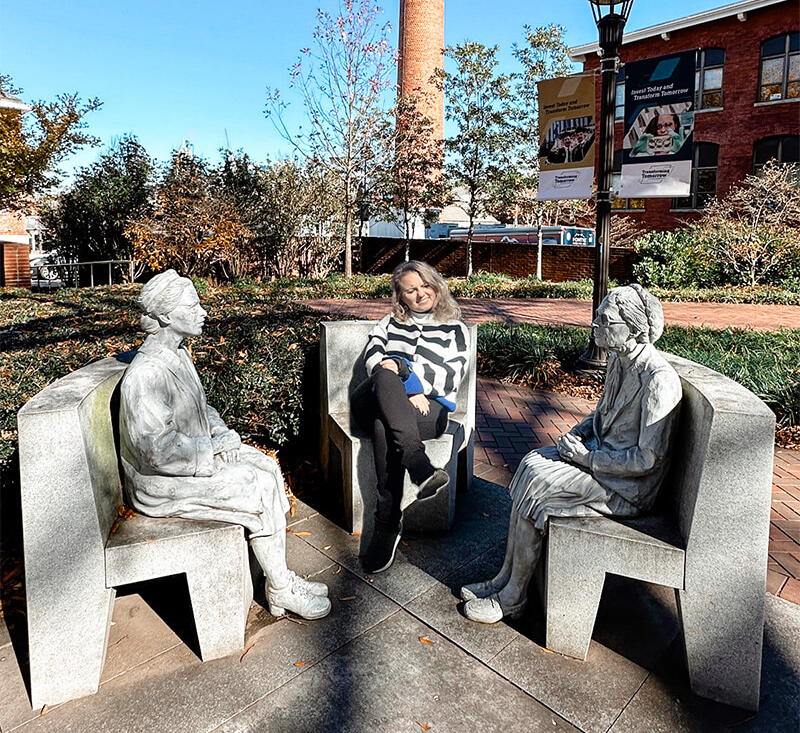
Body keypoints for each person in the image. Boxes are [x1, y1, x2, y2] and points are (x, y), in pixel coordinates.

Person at [460, 284, 681, 624]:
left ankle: (514, 596)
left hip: (628, 487)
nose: (595, 323)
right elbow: (601, 415)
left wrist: (584, 458)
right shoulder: (620, 362)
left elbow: (646, 460)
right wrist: (579, 433)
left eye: (605, 320)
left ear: (634, 329)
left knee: (541, 491)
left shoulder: (658, 381)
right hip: (602, 460)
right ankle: (505, 578)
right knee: (532, 465)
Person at [120, 269, 331, 620]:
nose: (203, 311)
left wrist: (221, 434)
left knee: (266, 467)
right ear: (166, 316)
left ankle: (279, 576)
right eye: (194, 305)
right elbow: (158, 451)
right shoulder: (145, 375)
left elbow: (202, 408)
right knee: (255, 484)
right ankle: (280, 591)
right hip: (160, 482)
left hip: (192, 458)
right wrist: (213, 449)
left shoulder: (179, 355)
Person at [352, 261, 471, 574]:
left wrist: (407, 376)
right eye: (410, 290)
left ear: (435, 285)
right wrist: (402, 379)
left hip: (429, 410)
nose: (420, 294)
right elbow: (373, 361)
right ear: (400, 297)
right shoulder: (390, 323)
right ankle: (419, 467)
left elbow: (450, 375)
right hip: (376, 397)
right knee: (385, 374)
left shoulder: (454, 328)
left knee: (384, 424)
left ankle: (387, 524)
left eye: (424, 286)